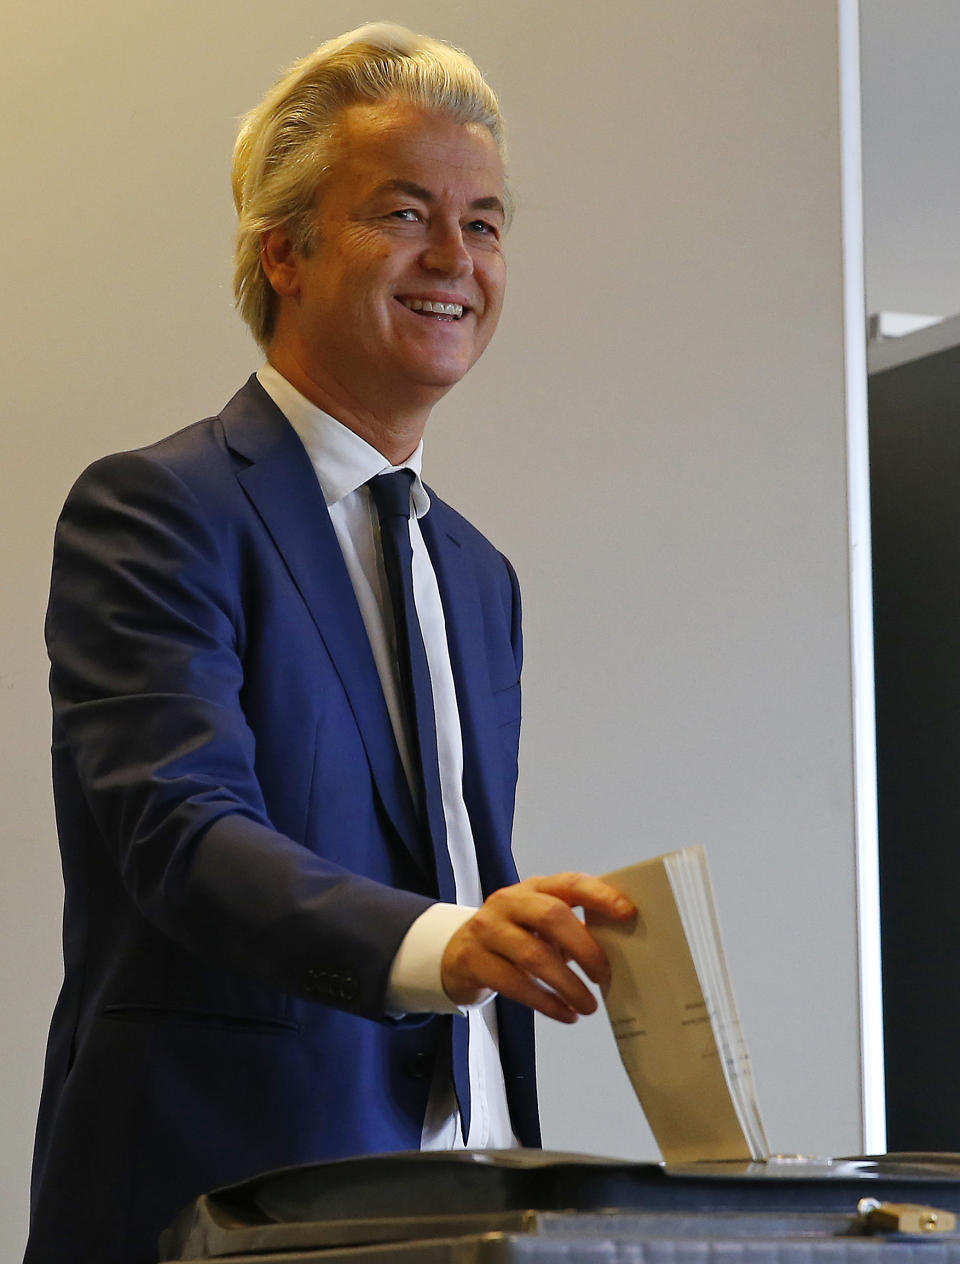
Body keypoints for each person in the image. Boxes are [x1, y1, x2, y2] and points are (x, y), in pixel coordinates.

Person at [26, 24, 634, 1264]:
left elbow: (447, 853)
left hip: (464, 1206)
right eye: (405, 213)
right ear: (284, 254)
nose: (455, 258)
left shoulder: (477, 573)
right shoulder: (158, 509)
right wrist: (447, 943)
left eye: (486, 222)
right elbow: (182, 836)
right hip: (219, 1205)